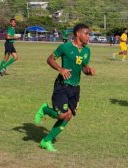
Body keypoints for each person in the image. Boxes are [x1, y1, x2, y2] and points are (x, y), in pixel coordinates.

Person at [34, 23, 95, 152]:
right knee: (62, 115)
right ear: (78, 34)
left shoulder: (86, 51)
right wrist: (60, 68)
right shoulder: (65, 47)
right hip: (62, 86)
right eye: (86, 33)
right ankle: (45, 109)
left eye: (89, 34)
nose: (89, 36)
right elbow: (50, 59)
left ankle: (46, 141)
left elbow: (83, 67)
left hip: (75, 88)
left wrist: (88, 70)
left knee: (68, 116)